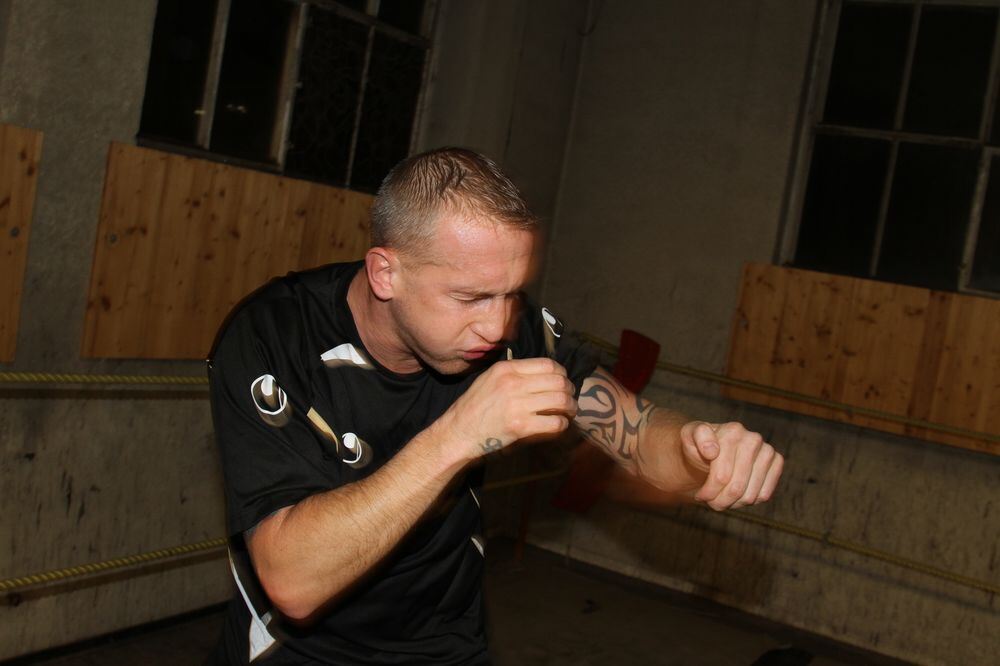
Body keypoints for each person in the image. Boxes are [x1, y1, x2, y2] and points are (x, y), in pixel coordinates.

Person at [207, 147, 784, 664]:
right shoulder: (274, 338)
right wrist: (459, 434)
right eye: (471, 297)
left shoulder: (508, 330)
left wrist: (697, 449)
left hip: (448, 643)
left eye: (511, 293)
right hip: (302, 652)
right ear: (387, 272)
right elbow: (293, 583)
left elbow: (637, 438)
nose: (498, 322)